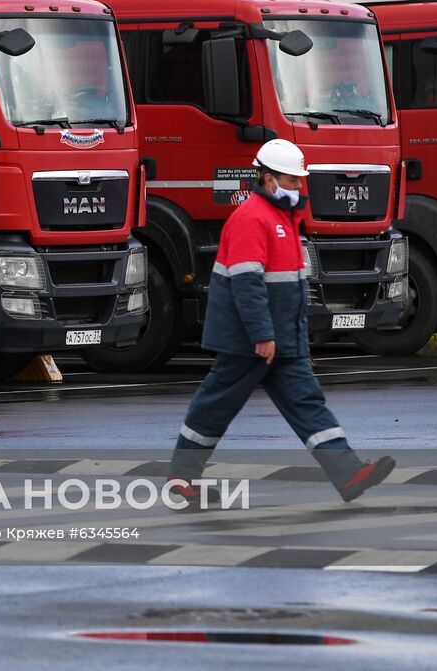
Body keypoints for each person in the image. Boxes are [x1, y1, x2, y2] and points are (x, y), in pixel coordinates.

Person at [169, 139, 395, 506]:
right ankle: (181, 478)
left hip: (279, 339)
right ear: (269, 180)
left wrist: (293, 340)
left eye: (299, 180)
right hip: (249, 340)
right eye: (292, 181)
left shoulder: (282, 219)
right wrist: (261, 335)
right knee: (216, 404)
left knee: (307, 402)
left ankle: (349, 473)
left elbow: (287, 288)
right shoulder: (253, 218)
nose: (298, 187)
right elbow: (247, 283)